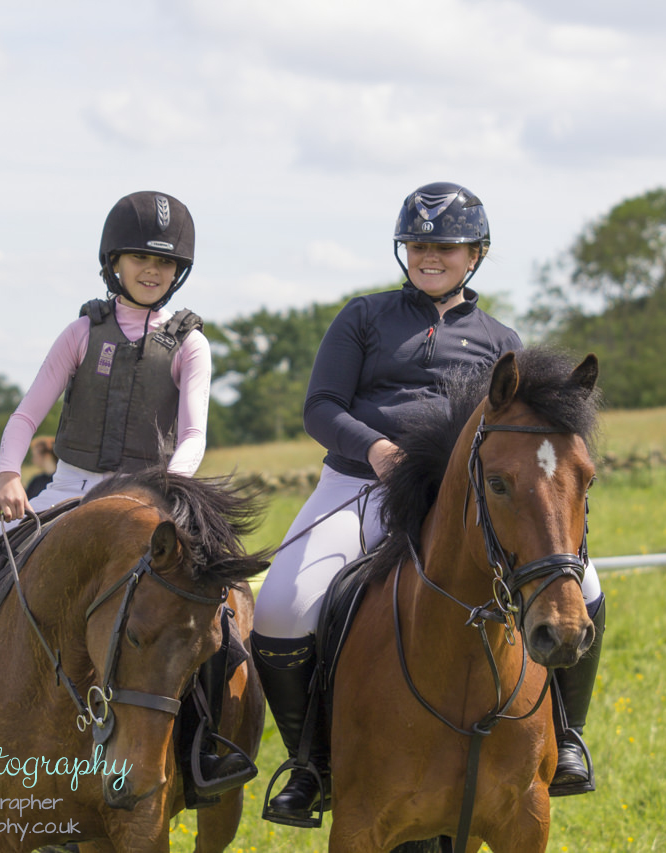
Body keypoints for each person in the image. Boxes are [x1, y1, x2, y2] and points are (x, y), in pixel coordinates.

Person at [249, 181, 607, 826]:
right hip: (361, 484)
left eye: (445, 245)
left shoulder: (503, 339)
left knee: (591, 589)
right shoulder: (362, 317)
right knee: (279, 607)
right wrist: (378, 450)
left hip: (468, 499)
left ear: (476, 254)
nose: (429, 255)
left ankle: (569, 738)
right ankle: (309, 763)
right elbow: (320, 406)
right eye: (417, 243)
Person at [0, 191, 244, 789]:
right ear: (114, 264)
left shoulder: (190, 344)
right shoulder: (82, 332)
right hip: (69, 489)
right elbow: (28, 414)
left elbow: (194, 432)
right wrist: (7, 475)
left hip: (150, 498)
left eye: (164, 264)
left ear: (179, 272)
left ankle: (207, 743)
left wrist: (173, 494)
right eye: (139, 260)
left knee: (217, 607)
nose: (152, 272)